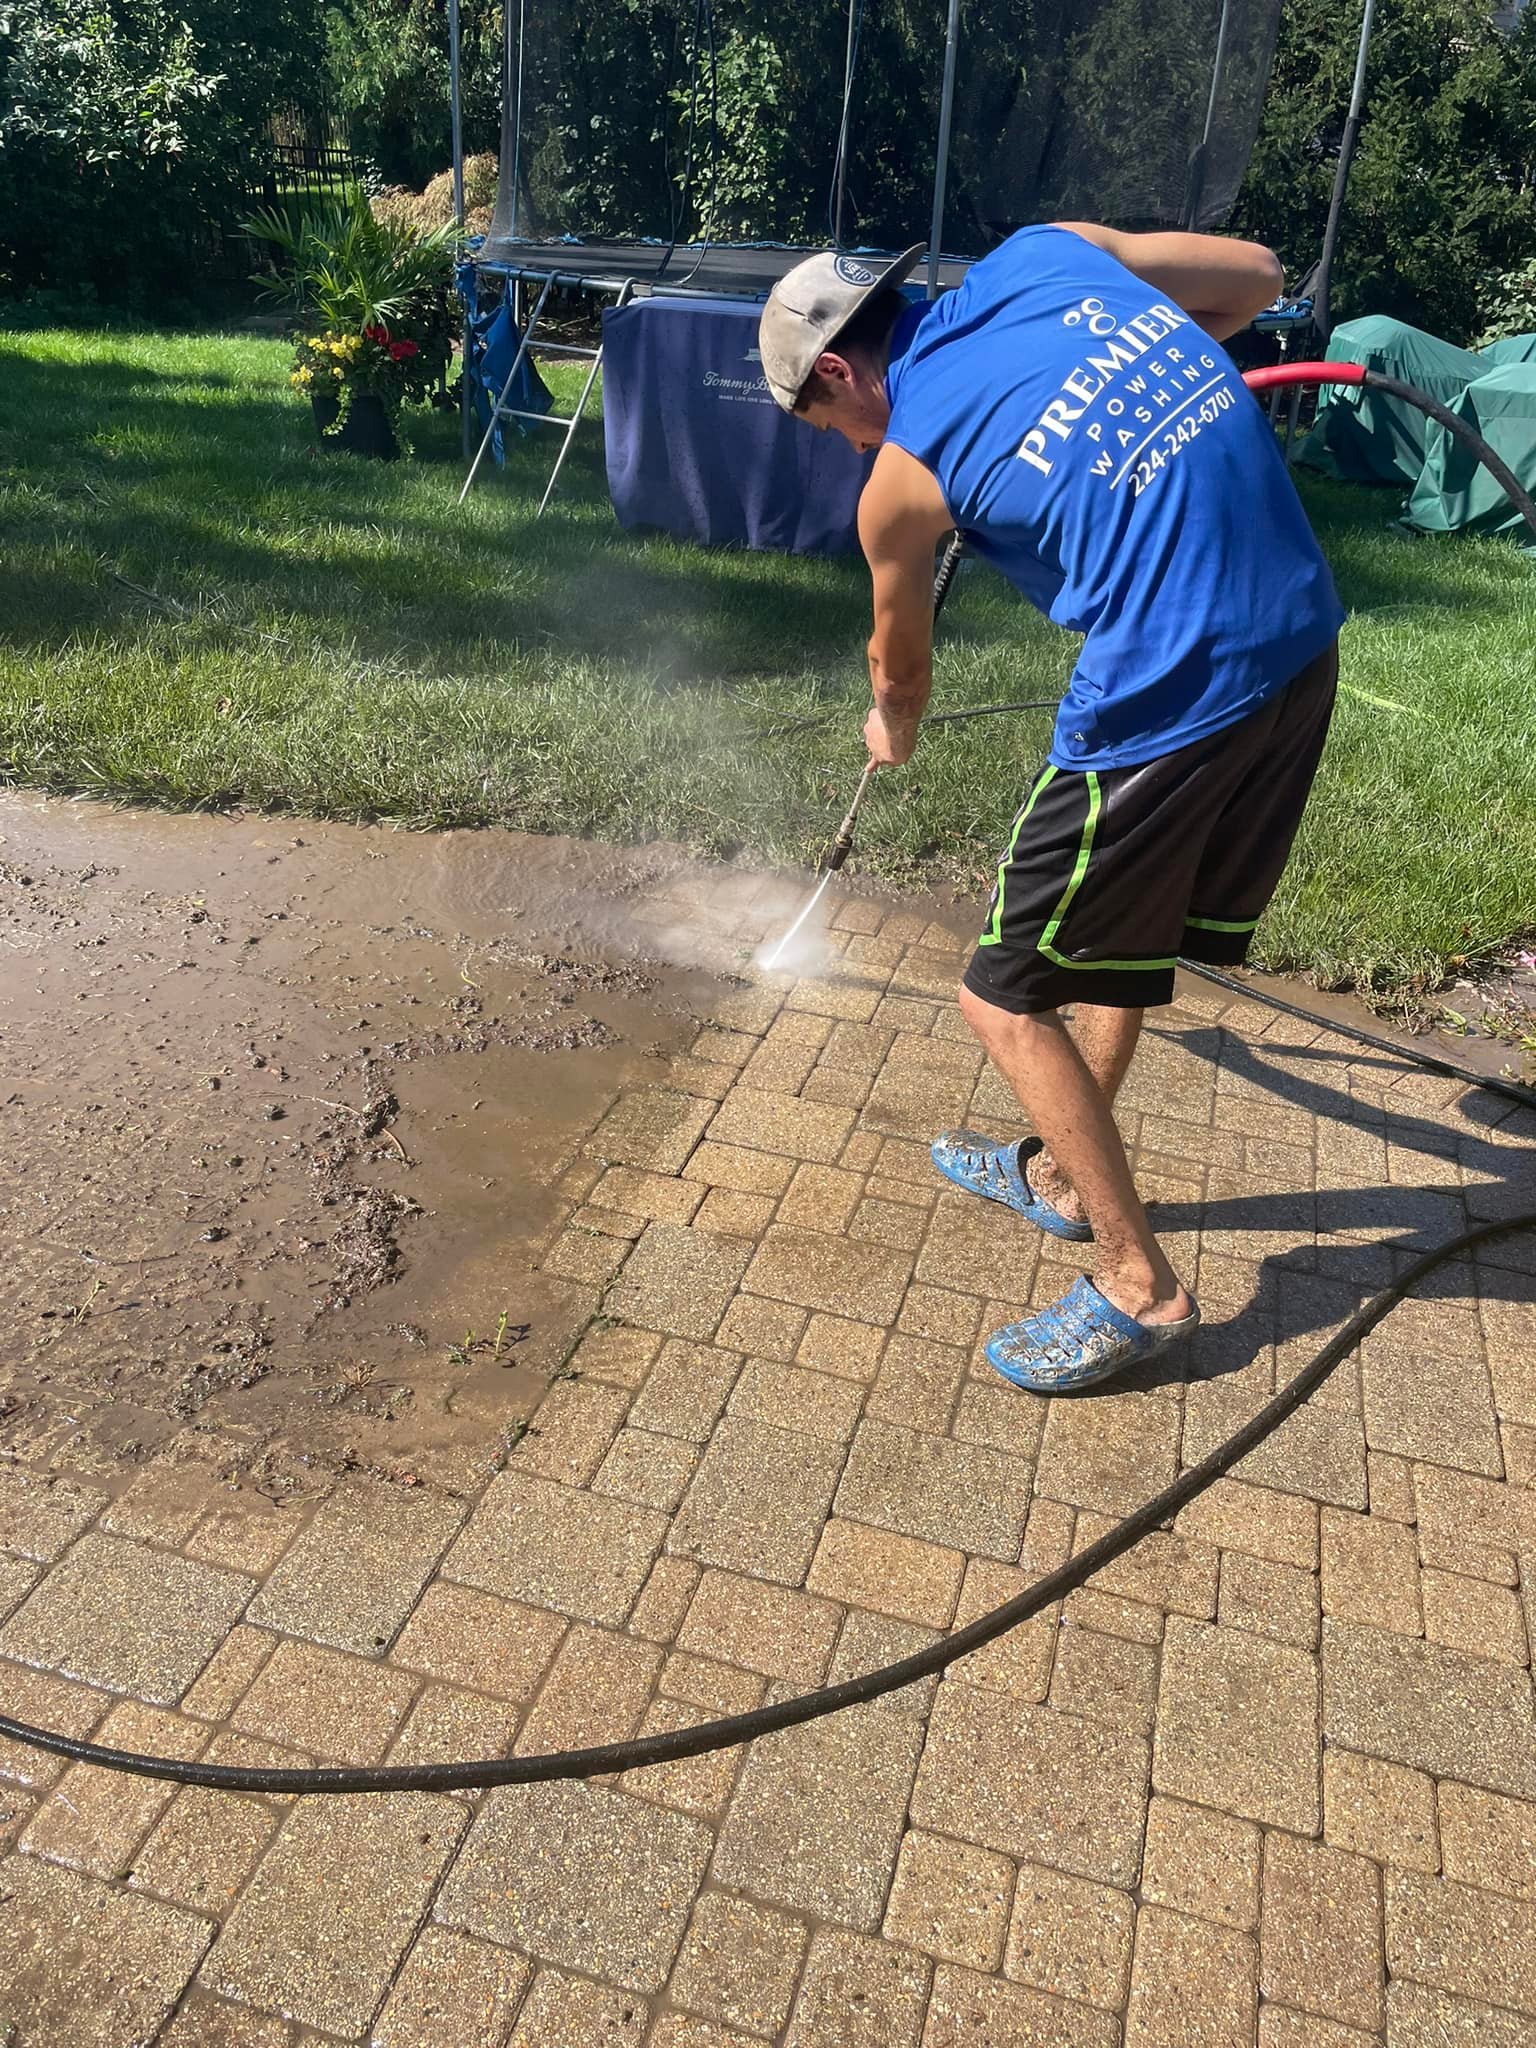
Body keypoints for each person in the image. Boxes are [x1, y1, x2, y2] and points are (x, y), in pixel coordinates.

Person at [757, 226, 1343, 1393]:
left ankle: (1141, 1287)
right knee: (1134, 935)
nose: (846, 445)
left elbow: (902, 670)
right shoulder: (1049, 252)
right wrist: (1146, 375)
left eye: (827, 427)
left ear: (836, 373)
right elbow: (1257, 282)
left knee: (1000, 994)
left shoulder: (900, 482)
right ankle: (1067, 1181)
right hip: (1300, 640)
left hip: (1169, 690)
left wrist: (893, 732)